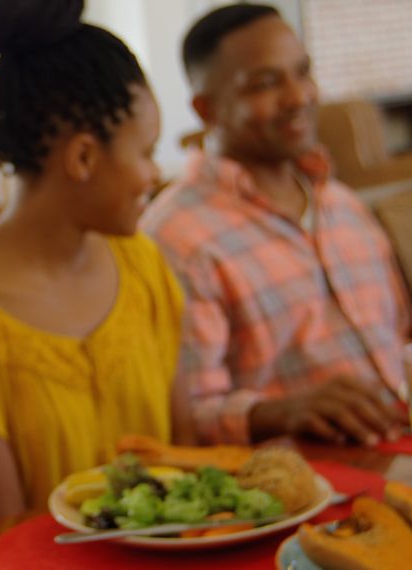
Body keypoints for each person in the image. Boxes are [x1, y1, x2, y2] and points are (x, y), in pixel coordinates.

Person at [0, 0, 184, 538]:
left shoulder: (144, 263)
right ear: (83, 158)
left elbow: (184, 454)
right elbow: (0, 535)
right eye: (146, 152)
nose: (155, 172)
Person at [142, 3, 410, 447]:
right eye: (265, 84)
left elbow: (399, 341)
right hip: (301, 491)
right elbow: (187, 418)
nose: (298, 96)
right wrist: (281, 412)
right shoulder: (177, 237)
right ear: (206, 109)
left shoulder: (343, 206)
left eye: (301, 72)